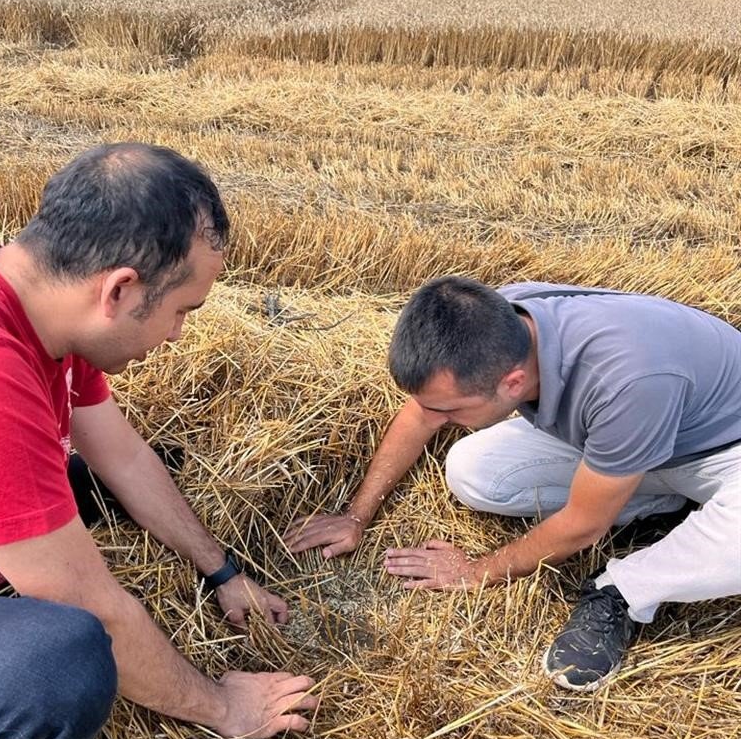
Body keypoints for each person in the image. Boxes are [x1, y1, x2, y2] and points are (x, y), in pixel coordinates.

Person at [0, 143, 317, 739]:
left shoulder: (36, 298)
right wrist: (221, 705)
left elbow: (125, 458)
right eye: (181, 312)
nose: (177, 335)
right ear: (119, 290)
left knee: (105, 482)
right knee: (64, 661)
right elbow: (89, 605)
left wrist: (222, 572)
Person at [286, 276, 741, 691]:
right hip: (633, 435)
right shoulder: (498, 320)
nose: (436, 419)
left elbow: (582, 526)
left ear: (514, 382)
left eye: (451, 410)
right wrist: (356, 515)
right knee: (472, 472)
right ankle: (654, 499)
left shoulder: (627, 379)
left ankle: (622, 591)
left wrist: (476, 571)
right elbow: (422, 413)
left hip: (721, 451)